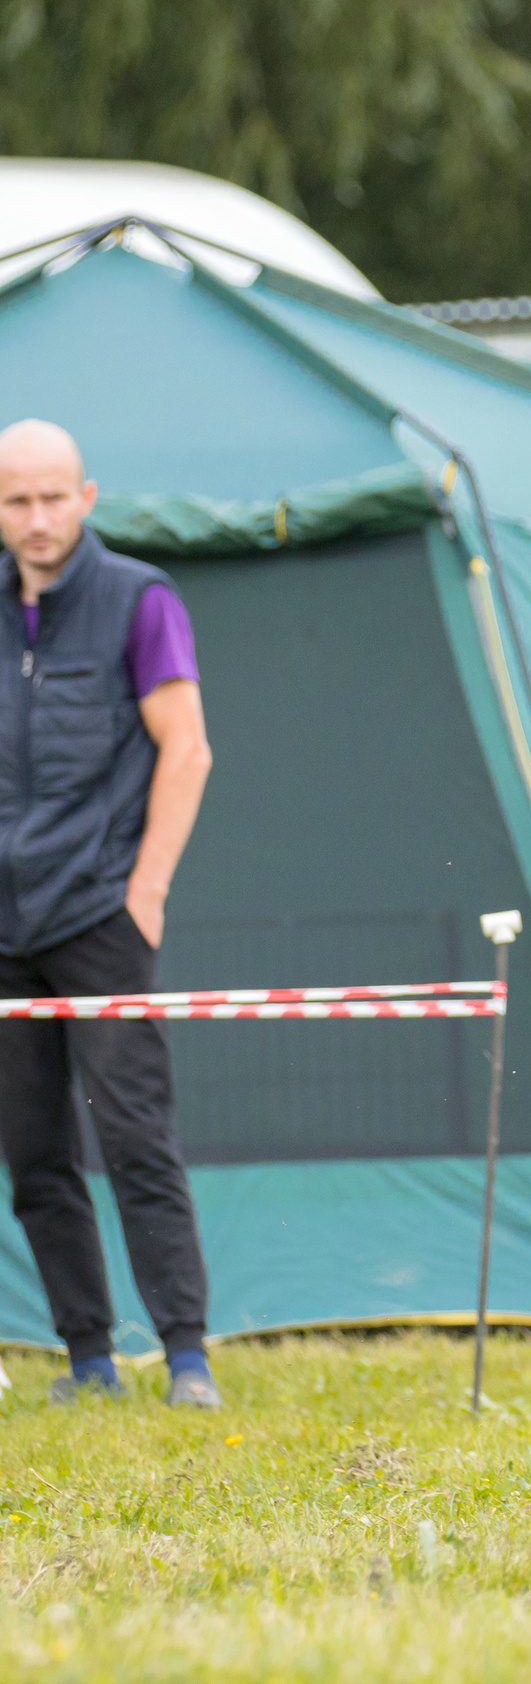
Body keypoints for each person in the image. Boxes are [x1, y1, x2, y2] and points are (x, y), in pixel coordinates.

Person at [0, 420, 219, 1409]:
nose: (37, 518)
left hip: (100, 916)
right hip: (8, 928)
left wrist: (145, 895)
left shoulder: (140, 597)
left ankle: (186, 1355)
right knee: (34, 1149)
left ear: (86, 496)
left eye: (52, 497)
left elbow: (189, 749)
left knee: (136, 1137)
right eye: (17, 501)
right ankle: (87, 1359)